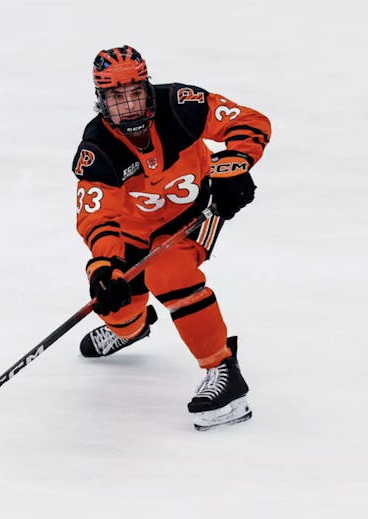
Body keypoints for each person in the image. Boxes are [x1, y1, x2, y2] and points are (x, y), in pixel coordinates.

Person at [71, 45, 271, 430]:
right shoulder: (97, 148)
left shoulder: (182, 104)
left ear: (147, 87)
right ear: (101, 100)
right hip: (130, 233)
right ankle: (130, 329)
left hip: (191, 218)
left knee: (169, 272)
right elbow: (97, 215)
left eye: (134, 92)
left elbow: (250, 122)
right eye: (115, 97)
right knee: (114, 303)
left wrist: (234, 166)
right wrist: (105, 265)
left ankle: (224, 372)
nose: (128, 105)